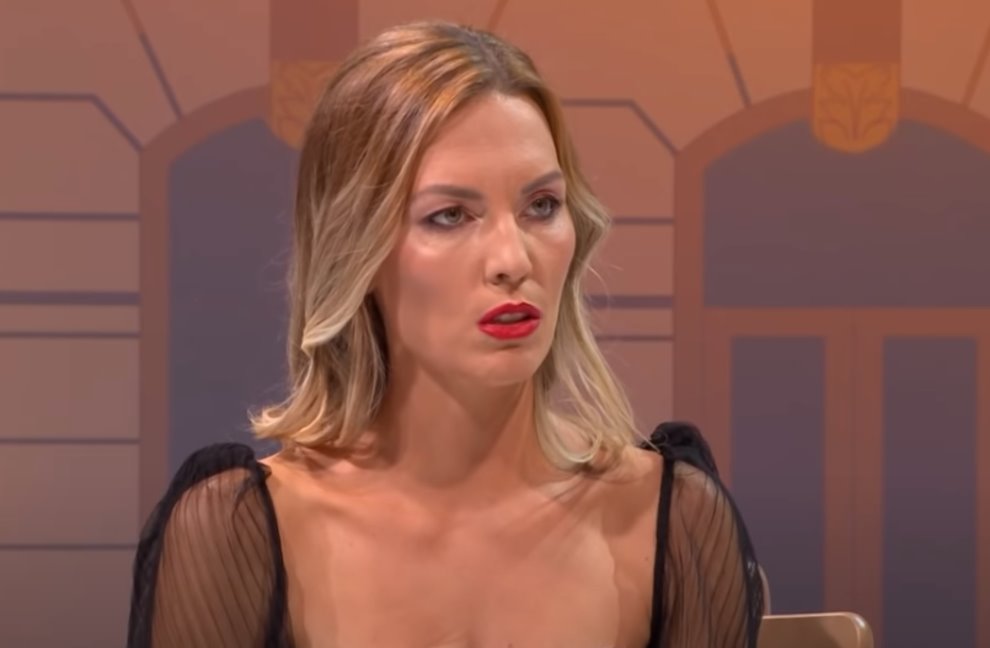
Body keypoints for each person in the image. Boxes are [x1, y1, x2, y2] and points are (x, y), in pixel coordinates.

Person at [127, 20, 765, 648]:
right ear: (358, 250)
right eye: (450, 216)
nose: (511, 259)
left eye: (542, 206)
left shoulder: (670, 523)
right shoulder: (240, 532)